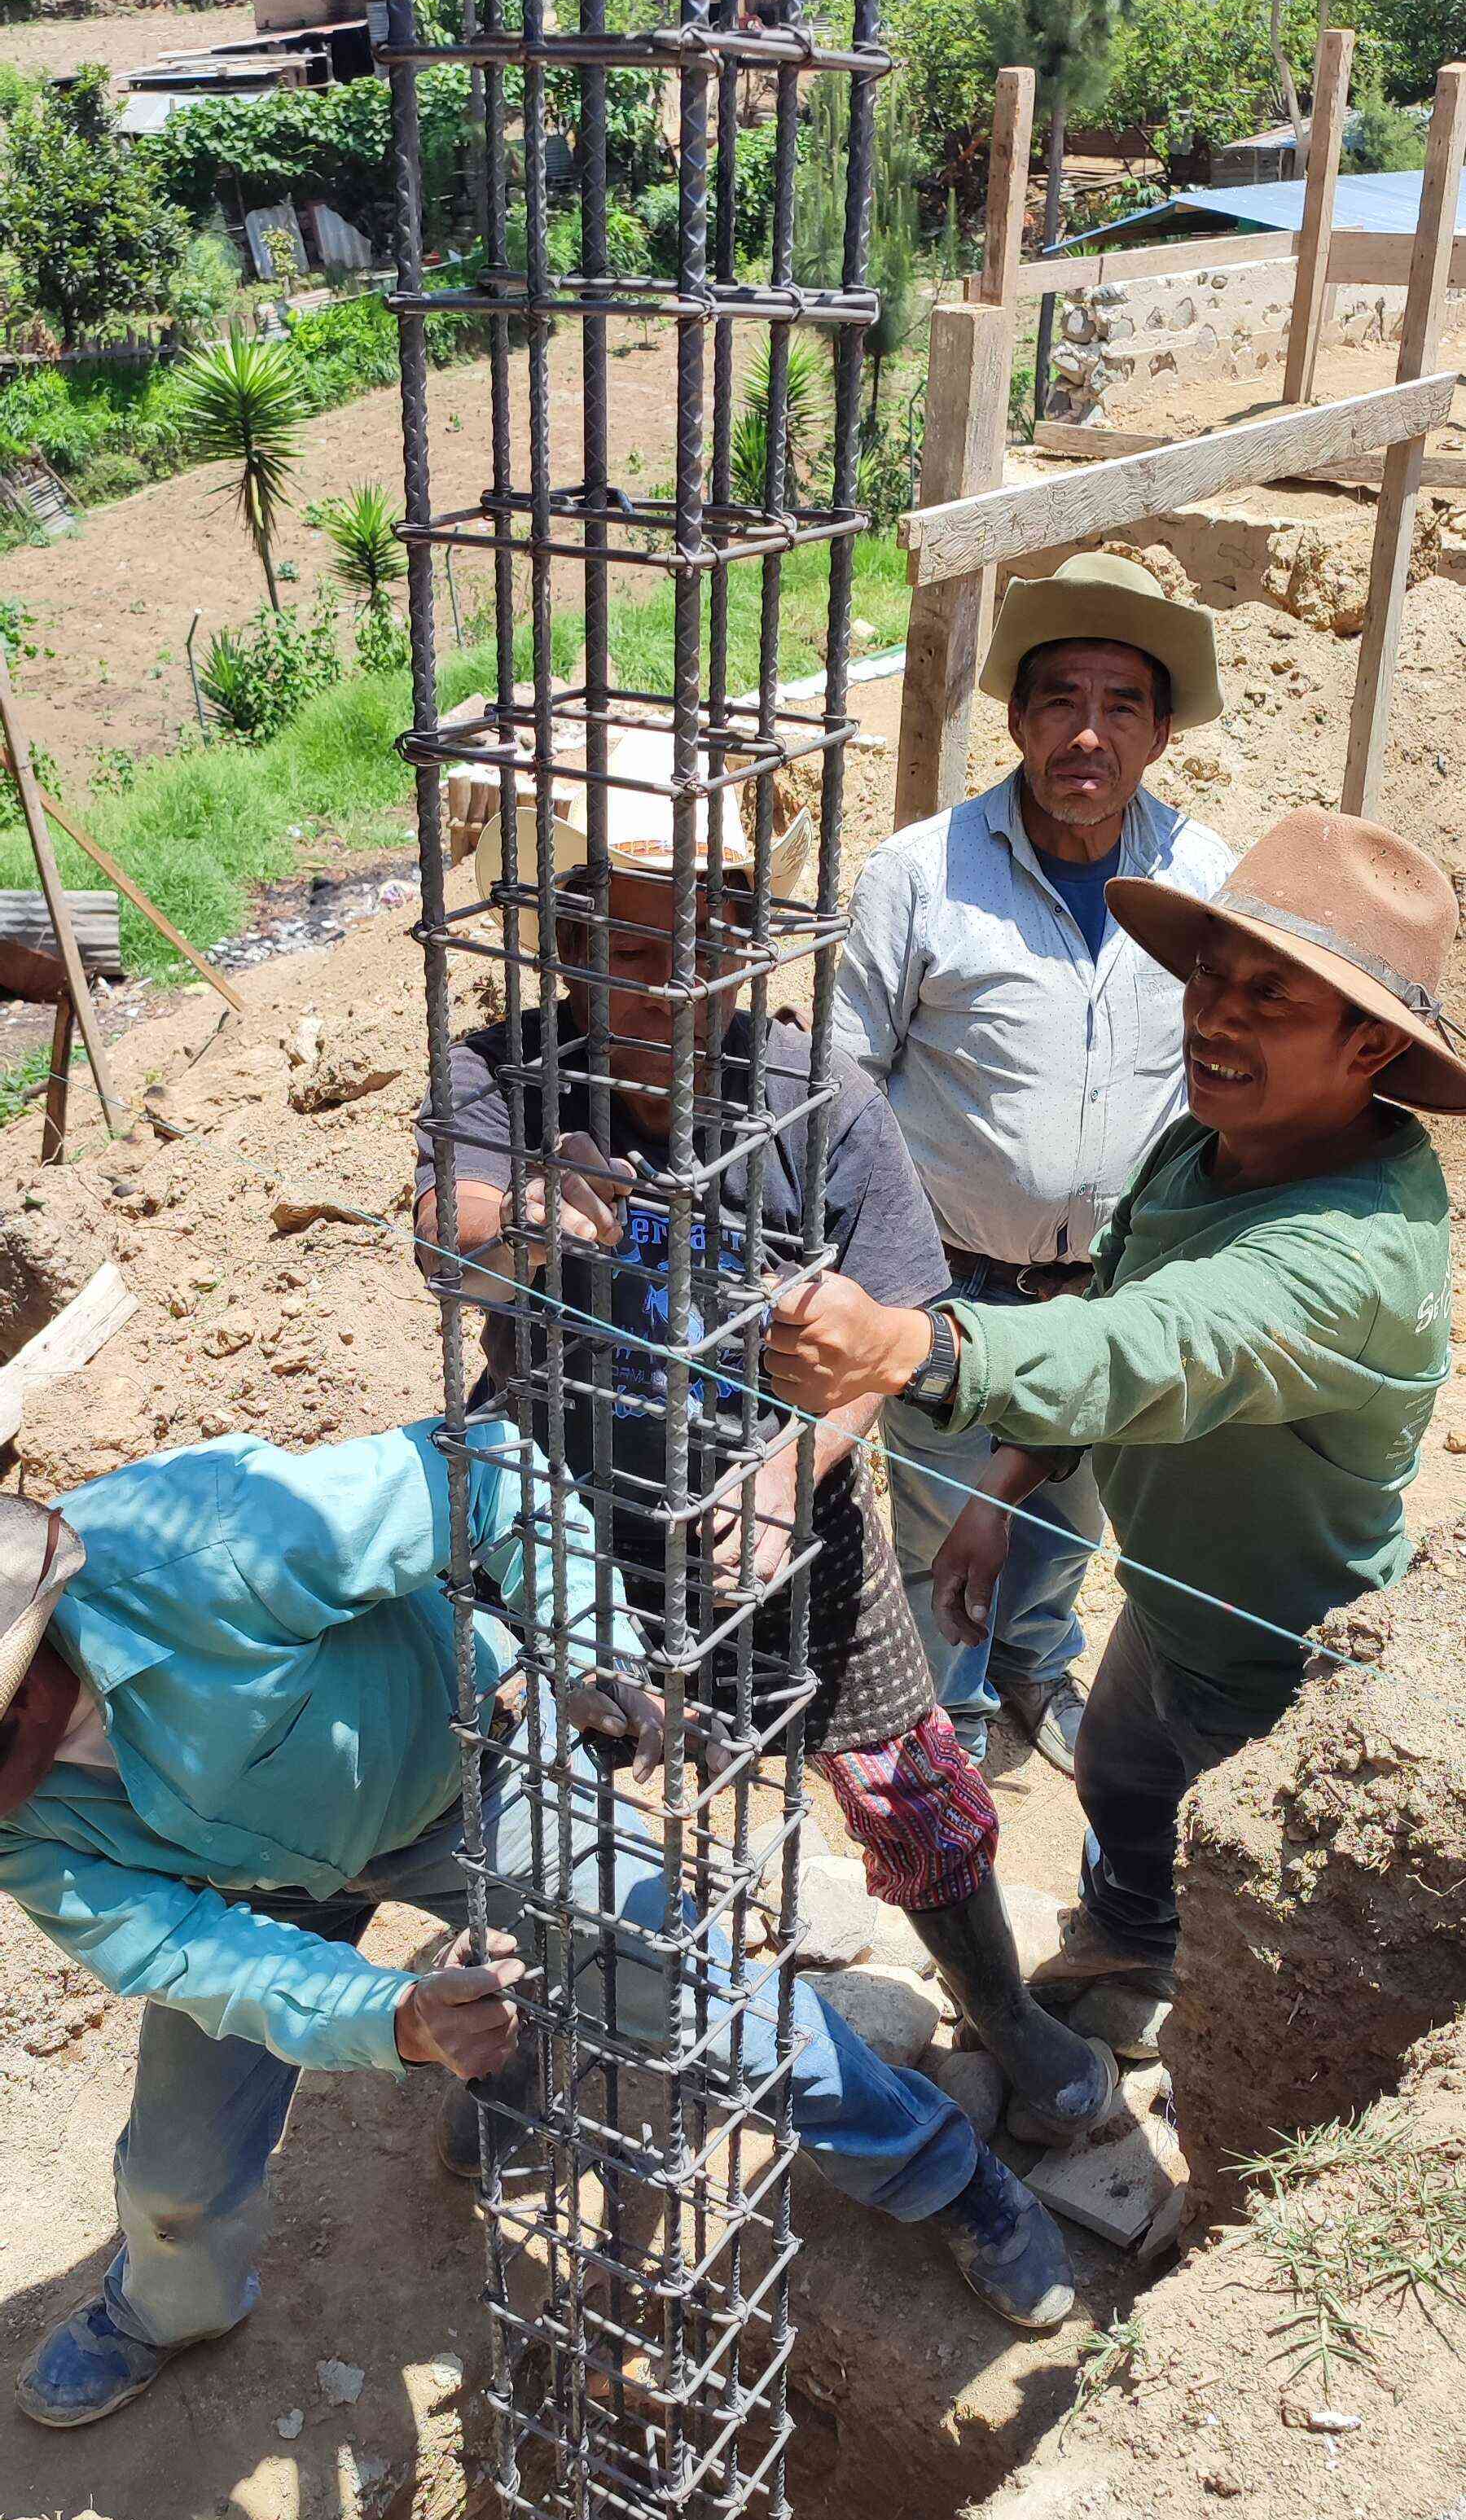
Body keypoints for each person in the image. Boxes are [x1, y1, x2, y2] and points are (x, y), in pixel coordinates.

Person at [1, 1413, 1082, 2430]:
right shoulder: (14, 1824)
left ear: (36, 1650)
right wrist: (394, 2021)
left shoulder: (198, 1546)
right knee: (172, 2175)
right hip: (249, 1885)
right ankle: (166, 2308)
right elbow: (182, 1952)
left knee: (706, 2005)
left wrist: (590, 1650)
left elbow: (491, 1476)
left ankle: (950, 2177)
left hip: (479, 1772)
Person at [417, 722, 1119, 2160]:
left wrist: (798, 1470)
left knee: (905, 1766)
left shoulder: (817, 1097)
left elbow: (898, 1325)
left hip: (778, 1487)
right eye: (623, 941)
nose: (661, 981)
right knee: (525, 1787)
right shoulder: (504, 1074)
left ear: (743, 942)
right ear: (564, 941)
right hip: (554, 1495)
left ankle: (1001, 2008)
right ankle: (515, 2065)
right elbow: (445, 1248)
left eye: (697, 942)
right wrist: (540, 1215)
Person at [768, 809, 1460, 2059]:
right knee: (1124, 1783)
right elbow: (1123, 1300)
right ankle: (1127, 1942)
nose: (1215, 1016)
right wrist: (1005, 1488)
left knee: (1248, 1899)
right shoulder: (1215, 1142)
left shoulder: (1349, 1252)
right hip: (1173, 1604)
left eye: (1269, 997)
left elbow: (1152, 1349)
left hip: (1278, 1665)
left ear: (1368, 1047)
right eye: (1209, 975)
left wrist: (912, 1348)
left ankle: (1203, 2053)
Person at [833, 552, 1232, 1777]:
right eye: (1060, 698)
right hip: (950, 1285)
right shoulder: (922, 872)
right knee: (942, 1521)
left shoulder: (1205, 879)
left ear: (1161, 732)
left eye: (1121, 705)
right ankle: (937, 1722)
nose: (1087, 733)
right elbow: (841, 1080)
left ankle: (1033, 1667)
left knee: (1069, 1519)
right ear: (1015, 717)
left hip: (1116, 1295)